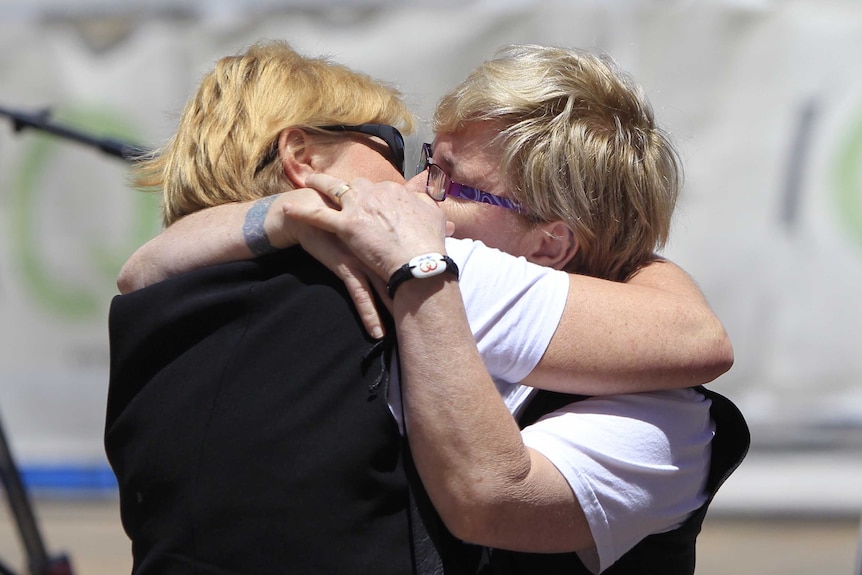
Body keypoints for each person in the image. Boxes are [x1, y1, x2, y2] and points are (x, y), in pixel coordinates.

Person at [116, 43, 748, 574]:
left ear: (549, 242)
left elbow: (139, 270)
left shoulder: (170, 303)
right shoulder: (407, 264)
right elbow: (694, 333)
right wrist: (297, 218)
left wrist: (310, 227)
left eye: (449, 181)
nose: (415, 192)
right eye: (414, 157)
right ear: (302, 159)